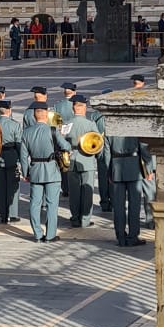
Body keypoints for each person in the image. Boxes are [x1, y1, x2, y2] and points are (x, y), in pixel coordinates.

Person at [19, 100, 64, 243]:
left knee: (34, 203)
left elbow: (23, 156)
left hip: (36, 170)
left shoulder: (26, 132)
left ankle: (37, 234)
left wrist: (25, 173)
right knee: (52, 204)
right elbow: (66, 146)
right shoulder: (53, 130)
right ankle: (50, 235)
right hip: (52, 170)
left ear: (34, 115)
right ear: (46, 114)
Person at [107, 128, 147, 247]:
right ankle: (133, 236)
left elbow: (106, 153)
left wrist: (109, 172)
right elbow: (143, 147)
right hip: (133, 167)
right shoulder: (135, 125)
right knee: (134, 205)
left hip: (116, 168)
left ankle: (120, 237)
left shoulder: (110, 127)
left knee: (118, 206)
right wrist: (148, 166)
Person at [67, 94, 98, 229]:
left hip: (71, 159)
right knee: (87, 191)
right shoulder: (90, 124)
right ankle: (85, 219)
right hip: (87, 159)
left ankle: (74, 218)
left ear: (74, 108)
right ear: (84, 108)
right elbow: (98, 143)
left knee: (74, 192)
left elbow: (61, 141)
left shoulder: (66, 124)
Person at [0, 97, 23, 223]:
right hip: (11, 157)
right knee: (13, 186)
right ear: (9, 110)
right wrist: (21, 160)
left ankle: (3, 214)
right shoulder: (14, 125)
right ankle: (13, 213)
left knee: (0, 188)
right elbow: (19, 144)